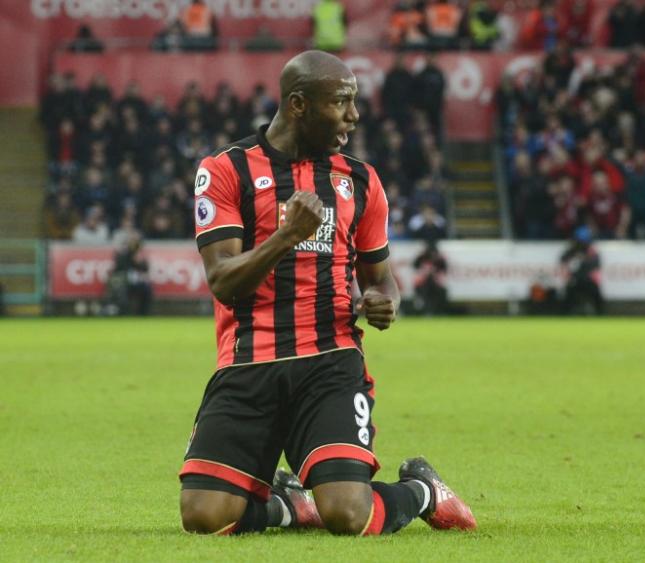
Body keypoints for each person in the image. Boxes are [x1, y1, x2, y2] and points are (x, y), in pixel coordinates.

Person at [179, 50, 476, 537]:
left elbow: (381, 278)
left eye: (354, 102)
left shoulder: (360, 181)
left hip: (329, 365)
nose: (354, 115)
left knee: (348, 514)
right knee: (203, 517)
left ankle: (422, 491)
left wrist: (386, 302)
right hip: (247, 364)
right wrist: (284, 236)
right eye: (341, 102)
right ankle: (293, 507)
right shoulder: (225, 171)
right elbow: (224, 282)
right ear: (298, 104)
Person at [560, 226, 604, 315]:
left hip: (588, 280)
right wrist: (574, 258)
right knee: (568, 291)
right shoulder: (572, 250)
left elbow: (597, 263)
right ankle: (566, 313)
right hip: (575, 279)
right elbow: (563, 259)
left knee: (596, 292)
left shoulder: (591, 251)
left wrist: (584, 260)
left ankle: (600, 313)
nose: (582, 243)